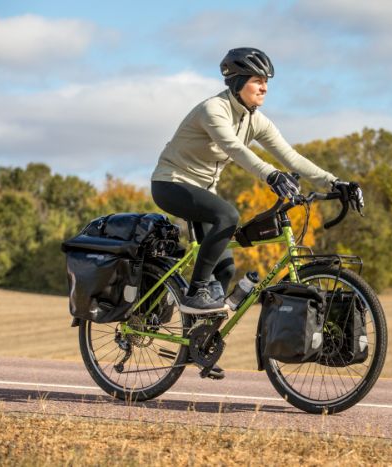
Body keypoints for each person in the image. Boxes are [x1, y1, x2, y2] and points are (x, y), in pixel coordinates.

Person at [151, 47, 363, 315]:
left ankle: (198, 340)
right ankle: (194, 294)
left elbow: (291, 156)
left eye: (266, 82)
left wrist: (335, 183)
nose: (264, 88)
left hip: (204, 190)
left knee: (226, 268)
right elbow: (234, 148)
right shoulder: (213, 110)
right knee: (228, 216)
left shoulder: (255, 120)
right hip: (171, 183)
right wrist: (270, 175)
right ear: (238, 82)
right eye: (257, 81)